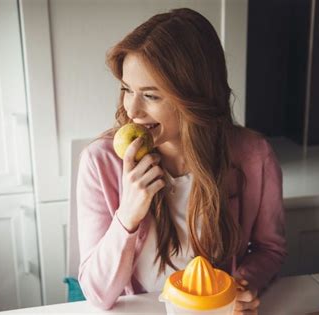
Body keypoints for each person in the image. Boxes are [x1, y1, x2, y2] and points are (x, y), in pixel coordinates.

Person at [76, 8, 286, 315]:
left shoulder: (255, 155)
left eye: (151, 95)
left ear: (195, 97)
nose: (132, 110)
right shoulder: (100, 162)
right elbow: (98, 295)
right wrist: (129, 214)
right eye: (126, 90)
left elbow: (270, 249)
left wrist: (241, 286)